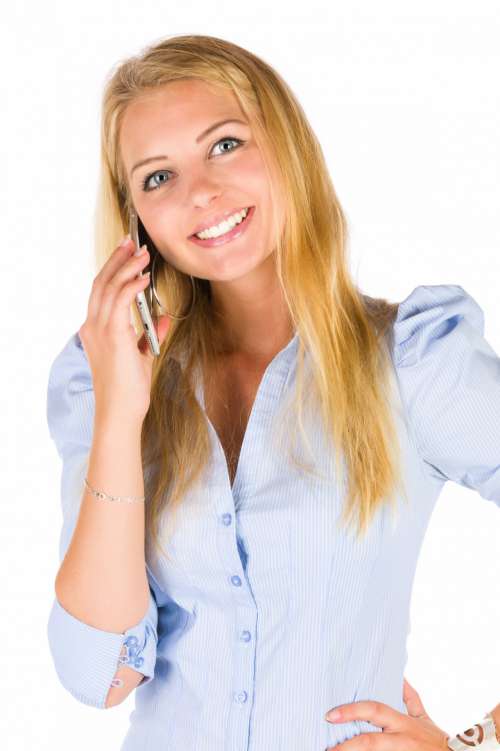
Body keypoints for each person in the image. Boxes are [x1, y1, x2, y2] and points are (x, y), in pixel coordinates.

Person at [46, 34, 500, 751]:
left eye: (224, 145)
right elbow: (96, 673)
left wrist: (476, 741)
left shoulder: (413, 361)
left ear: (285, 144)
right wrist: (120, 416)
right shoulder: (102, 382)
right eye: (157, 177)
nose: (199, 192)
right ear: (135, 220)